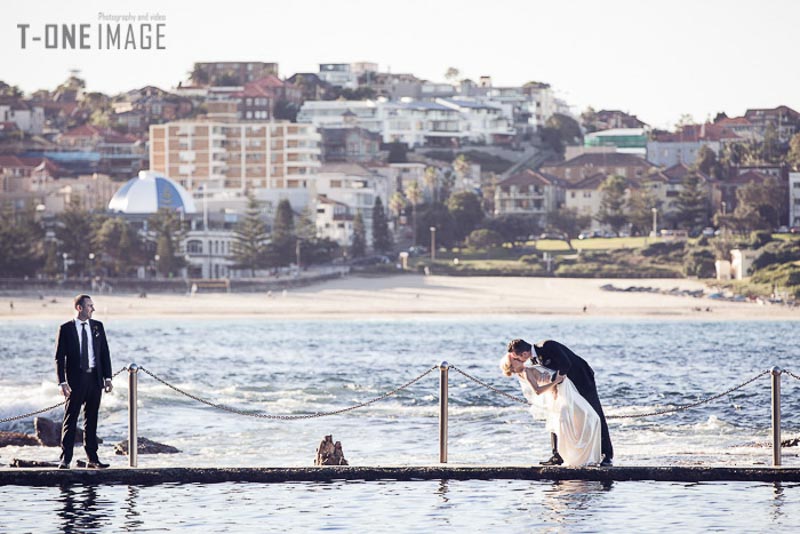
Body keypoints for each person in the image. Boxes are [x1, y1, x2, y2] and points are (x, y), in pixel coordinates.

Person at [507, 338, 613, 467]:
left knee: (596, 416)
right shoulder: (533, 360)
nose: (519, 361)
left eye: (517, 357)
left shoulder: (547, 345)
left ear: (523, 354)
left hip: (582, 381)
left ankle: (606, 455)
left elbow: (565, 364)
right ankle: (558, 455)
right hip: (564, 389)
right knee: (557, 417)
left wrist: (553, 379)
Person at [54, 294, 113, 469]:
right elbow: (59, 358)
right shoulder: (66, 329)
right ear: (79, 308)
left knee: (92, 419)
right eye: (89, 306)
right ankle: (65, 459)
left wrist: (108, 378)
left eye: (92, 306)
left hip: (95, 379)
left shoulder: (97, 326)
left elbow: (104, 353)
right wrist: (62, 382)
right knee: (70, 419)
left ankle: (93, 459)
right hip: (75, 381)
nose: (93, 309)